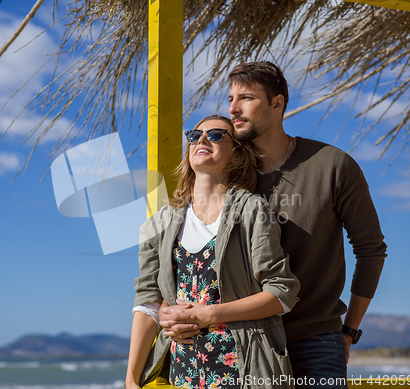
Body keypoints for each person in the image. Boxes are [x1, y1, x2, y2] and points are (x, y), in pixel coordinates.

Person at [159, 62, 387, 388]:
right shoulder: (225, 172)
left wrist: (349, 330)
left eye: (246, 98)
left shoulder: (333, 166)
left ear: (277, 103)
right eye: (230, 99)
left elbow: (371, 251)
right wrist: (173, 313)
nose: (233, 109)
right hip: (244, 340)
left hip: (314, 340)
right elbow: (191, 258)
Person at [125, 115, 300, 389]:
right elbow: (147, 304)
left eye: (217, 135)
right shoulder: (158, 224)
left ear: (237, 154)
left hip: (245, 372)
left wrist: (208, 314)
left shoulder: (252, 210)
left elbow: (282, 293)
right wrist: (131, 380)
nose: (203, 140)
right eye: (194, 136)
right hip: (182, 376)